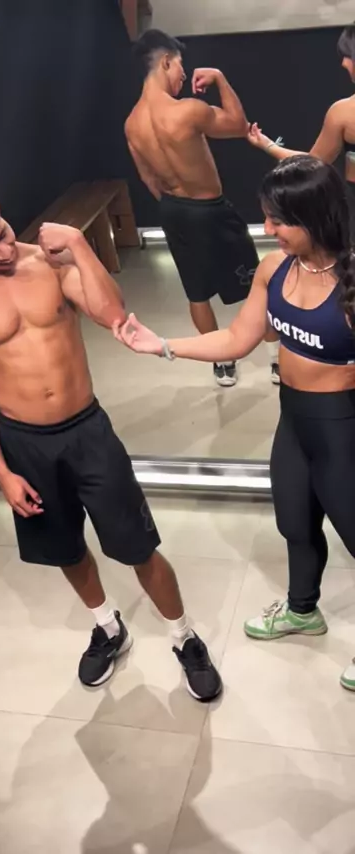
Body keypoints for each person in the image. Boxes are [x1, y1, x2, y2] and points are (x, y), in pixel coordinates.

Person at [0, 177, 222, 702]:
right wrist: (2, 472)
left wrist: (80, 246)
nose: (3, 251)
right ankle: (108, 626)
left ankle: (184, 636)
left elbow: (113, 316)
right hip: (23, 444)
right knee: (65, 549)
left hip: (86, 431)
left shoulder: (50, 263)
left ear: (0, 209)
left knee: (138, 545)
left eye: (3, 234)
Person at [113, 155, 355, 693]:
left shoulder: (351, 279)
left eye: (279, 220)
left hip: (343, 429)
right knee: (295, 523)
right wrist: (163, 345)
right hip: (295, 422)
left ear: (314, 217)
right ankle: (302, 609)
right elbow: (238, 339)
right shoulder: (275, 269)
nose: (267, 229)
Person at [125, 28, 280, 387]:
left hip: (173, 212)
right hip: (211, 210)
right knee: (257, 283)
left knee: (197, 293)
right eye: (181, 65)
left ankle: (222, 363)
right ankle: (277, 361)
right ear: (166, 62)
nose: (183, 74)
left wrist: (177, 204)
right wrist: (221, 79)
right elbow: (239, 126)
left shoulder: (131, 124)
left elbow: (148, 179)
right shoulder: (188, 111)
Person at [248, 22, 355, 197]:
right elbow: (314, 162)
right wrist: (268, 145)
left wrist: (268, 145)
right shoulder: (341, 112)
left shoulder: (342, 112)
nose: (344, 63)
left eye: (349, 55)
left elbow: (313, 163)